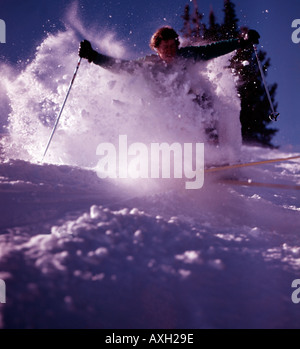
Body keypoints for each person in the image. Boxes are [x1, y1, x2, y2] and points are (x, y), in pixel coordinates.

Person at [78, 26, 260, 70]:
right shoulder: (149, 63)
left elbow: (213, 49)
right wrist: (94, 56)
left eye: (173, 46)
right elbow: (122, 67)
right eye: (165, 47)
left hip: (189, 103)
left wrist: (240, 42)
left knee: (201, 98)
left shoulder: (188, 55)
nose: (170, 50)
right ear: (157, 48)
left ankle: (212, 152)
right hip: (161, 107)